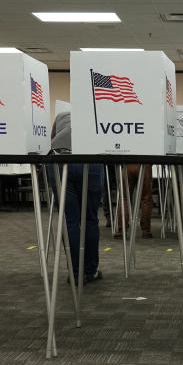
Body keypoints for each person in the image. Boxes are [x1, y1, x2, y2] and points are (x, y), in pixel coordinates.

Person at [48, 111, 104, 283]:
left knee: (70, 221)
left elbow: (52, 139)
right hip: (90, 159)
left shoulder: (62, 115)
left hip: (59, 159)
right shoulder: (97, 114)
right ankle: (90, 271)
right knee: (89, 219)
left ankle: (75, 274)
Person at [116, 163, 153, 239]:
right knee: (146, 198)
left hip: (128, 164)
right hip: (145, 163)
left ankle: (122, 230)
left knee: (124, 198)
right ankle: (146, 231)